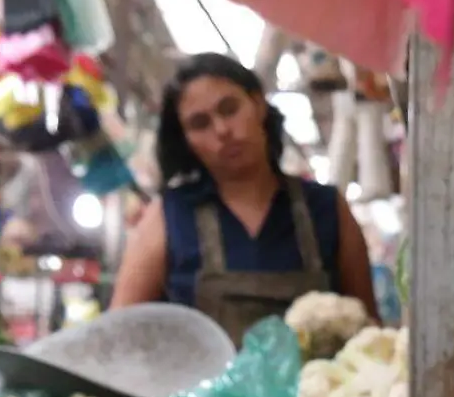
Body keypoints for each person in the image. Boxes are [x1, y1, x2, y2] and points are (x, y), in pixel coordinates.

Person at [110, 52, 378, 342]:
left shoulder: (327, 209)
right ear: (185, 141)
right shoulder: (169, 216)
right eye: (200, 123)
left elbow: (368, 331)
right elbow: (118, 334)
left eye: (229, 109)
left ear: (258, 103)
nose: (222, 130)